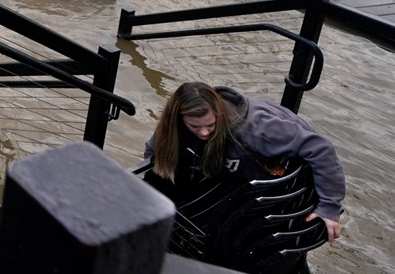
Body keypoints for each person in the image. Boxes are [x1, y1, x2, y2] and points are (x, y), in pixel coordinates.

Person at [144, 83, 345, 245]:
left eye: (210, 125)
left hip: (289, 178)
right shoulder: (173, 126)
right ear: (179, 119)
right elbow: (154, 153)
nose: (204, 132)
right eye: (195, 126)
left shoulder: (254, 129)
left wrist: (329, 207)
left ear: (219, 114)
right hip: (243, 172)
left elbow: (320, 148)